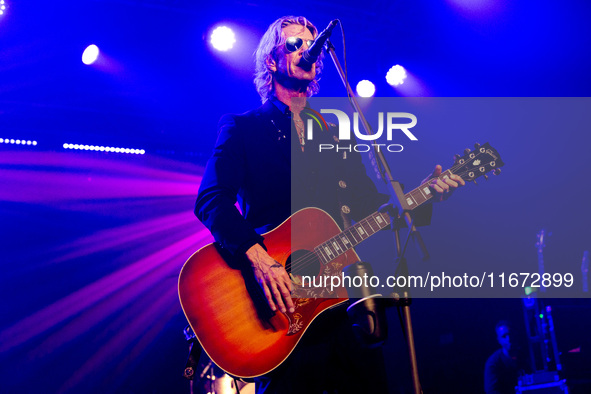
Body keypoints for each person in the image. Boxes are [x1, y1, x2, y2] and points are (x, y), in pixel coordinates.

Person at [195, 15, 464, 393]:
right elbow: (211, 199)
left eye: (311, 44)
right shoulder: (244, 128)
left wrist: (423, 195)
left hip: (345, 303)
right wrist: (261, 260)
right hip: (281, 310)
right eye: (294, 45)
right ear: (271, 61)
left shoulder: (336, 134)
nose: (308, 50)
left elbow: (370, 206)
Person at [484, 321, 523, 394]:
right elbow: (492, 391)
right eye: (504, 336)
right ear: (499, 340)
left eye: (510, 334)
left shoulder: (523, 356)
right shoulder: (493, 363)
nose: (509, 339)